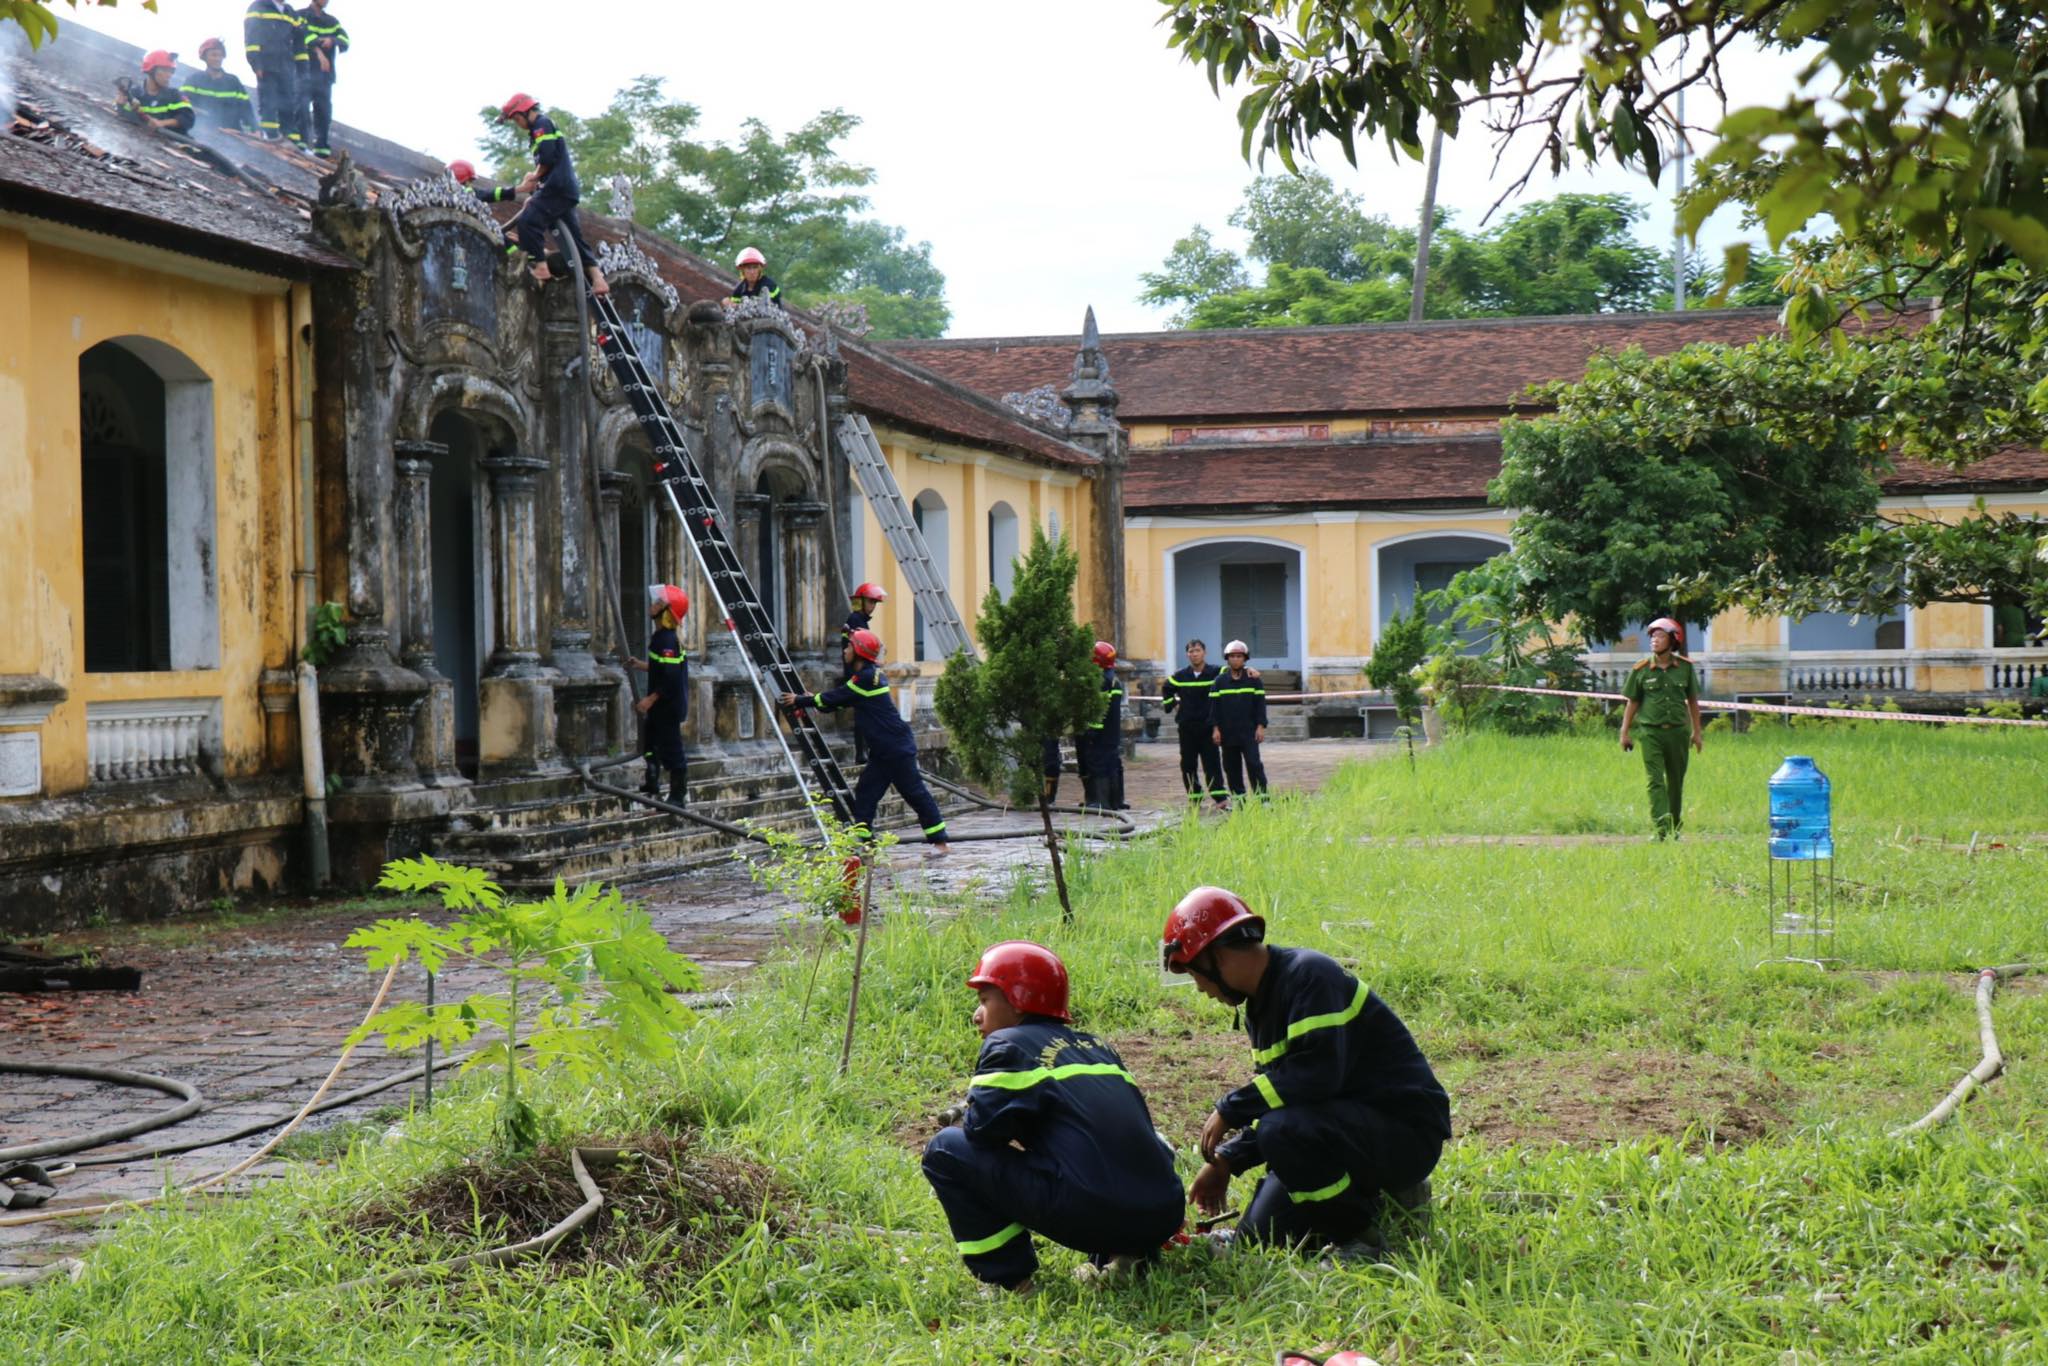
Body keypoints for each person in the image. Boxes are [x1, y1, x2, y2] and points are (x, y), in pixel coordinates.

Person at [1163, 886, 1448, 1258]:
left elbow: (1317, 1077)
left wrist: (1231, 1107)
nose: (1199, 987)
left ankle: (1361, 1242)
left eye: (1195, 973)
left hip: (1406, 1133)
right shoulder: (1260, 1008)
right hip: (1343, 1129)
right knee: (1258, 1237)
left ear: (1215, 956)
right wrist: (1229, 1161)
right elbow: (1286, 1098)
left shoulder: (1310, 975)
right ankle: (1381, 1198)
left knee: (1284, 1132)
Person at [922, 942, 1184, 1291]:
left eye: (985, 1000)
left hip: (1096, 1213)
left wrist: (977, 1109)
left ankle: (1011, 1280)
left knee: (945, 1148)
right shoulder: (1098, 1048)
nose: (977, 1014)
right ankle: (1128, 1257)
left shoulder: (1007, 1045)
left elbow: (982, 1132)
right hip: (1162, 1213)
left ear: (1016, 998)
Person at [778, 629, 950, 855]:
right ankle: (866, 843)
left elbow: (837, 697)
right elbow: (841, 700)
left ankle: (940, 843)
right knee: (866, 792)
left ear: (859, 652)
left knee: (915, 794)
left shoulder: (866, 677)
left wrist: (800, 700)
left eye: (849, 646)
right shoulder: (867, 676)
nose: (845, 650)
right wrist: (813, 701)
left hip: (895, 748)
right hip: (883, 750)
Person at [498, 93, 609, 296]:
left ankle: (540, 268)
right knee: (574, 239)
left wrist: (535, 176)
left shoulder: (541, 124)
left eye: (516, 118)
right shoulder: (540, 128)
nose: (517, 123)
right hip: (563, 189)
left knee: (529, 220)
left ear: (525, 111)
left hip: (556, 187)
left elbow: (548, 157)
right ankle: (598, 278)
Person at [1618, 616, 1703, 840]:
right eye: (1653, 636)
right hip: (1650, 733)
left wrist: (1697, 732)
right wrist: (1624, 732)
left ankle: (1675, 828)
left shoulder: (1684, 668)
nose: (1655, 640)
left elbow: (1693, 701)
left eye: (1661, 636)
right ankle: (1661, 829)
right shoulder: (1642, 669)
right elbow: (1632, 702)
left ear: (1673, 641)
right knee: (1654, 780)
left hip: (1678, 733)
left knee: (1676, 781)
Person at [629, 584, 689, 805]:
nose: (652, 605)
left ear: (666, 612)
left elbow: (671, 678)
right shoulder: (660, 637)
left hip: (668, 705)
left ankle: (678, 796)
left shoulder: (666, 640)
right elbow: (660, 668)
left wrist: (650, 699)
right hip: (660, 705)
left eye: (658, 604)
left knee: (672, 748)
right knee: (649, 741)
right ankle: (652, 779)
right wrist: (640, 665)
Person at [1162, 638, 1228, 811]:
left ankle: (1220, 798)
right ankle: (1195, 798)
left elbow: (1234, 673)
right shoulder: (1180, 675)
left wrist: (1249, 670)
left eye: (1197, 650)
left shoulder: (1216, 672)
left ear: (1204, 653)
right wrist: (1174, 705)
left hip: (1208, 727)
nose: (1194, 654)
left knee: (1212, 763)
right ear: (1187, 654)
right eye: (1191, 651)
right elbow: (1167, 688)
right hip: (1187, 727)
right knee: (1188, 764)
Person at [1212, 639, 1268, 801]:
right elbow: (1214, 708)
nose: (1235, 659)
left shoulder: (1254, 680)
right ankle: (1239, 800)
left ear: (1245, 659)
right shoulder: (1219, 682)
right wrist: (1215, 729)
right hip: (1227, 733)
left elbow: (1260, 705)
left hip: (1249, 732)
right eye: (1232, 656)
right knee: (1231, 767)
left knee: (1254, 764)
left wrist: (1260, 726)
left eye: (1239, 656)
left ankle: (1262, 799)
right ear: (1227, 659)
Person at [294, 0, 348, 159]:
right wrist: (318, 49)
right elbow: (301, 35)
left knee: (324, 112)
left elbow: (345, 40)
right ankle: (301, 142)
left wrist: (333, 40)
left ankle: (322, 149)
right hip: (304, 71)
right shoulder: (300, 15)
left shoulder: (332, 21)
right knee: (301, 107)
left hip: (325, 76)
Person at [242, 0, 300, 142]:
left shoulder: (290, 12)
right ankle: (270, 135)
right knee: (269, 100)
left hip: (286, 66)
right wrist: (256, 63)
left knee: (289, 102)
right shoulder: (258, 6)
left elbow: (299, 41)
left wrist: (302, 68)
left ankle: (290, 139)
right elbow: (251, 37)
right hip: (267, 64)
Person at [1078, 640, 1125, 811]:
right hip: (1111, 734)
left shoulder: (1101, 681)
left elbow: (1100, 711)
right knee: (1111, 764)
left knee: (1098, 765)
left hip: (1099, 734)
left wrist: (1092, 731)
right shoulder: (1113, 679)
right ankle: (1115, 801)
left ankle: (1101, 802)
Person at [182, 38, 254, 134]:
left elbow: (247, 111)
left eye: (220, 55)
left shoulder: (233, 82)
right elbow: (182, 105)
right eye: (214, 55)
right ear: (204, 57)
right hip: (201, 134)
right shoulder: (193, 80)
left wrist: (255, 130)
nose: (218, 59)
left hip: (233, 136)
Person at [117, 52, 194, 135]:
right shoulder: (134, 93)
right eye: (164, 70)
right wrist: (120, 105)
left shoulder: (175, 95)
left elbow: (188, 119)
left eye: (171, 71)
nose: (169, 75)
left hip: (173, 141)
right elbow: (125, 118)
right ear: (151, 71)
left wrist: (162, 123)